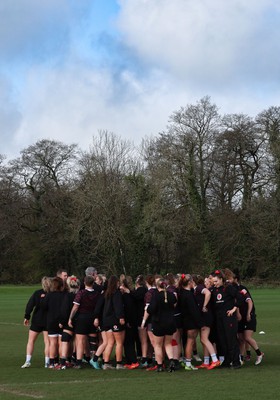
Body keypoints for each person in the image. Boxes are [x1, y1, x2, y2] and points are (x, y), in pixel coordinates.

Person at [211, 269, 246, 369]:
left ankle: (236, 362)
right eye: (213, 282)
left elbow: (240, 297)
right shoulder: (214, 290)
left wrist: (234, 309)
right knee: (222, 340)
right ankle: (227, 361)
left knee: (231, 340)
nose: (215, 283)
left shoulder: (229, 288)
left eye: (216, 281)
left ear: (221, 279)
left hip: (229, 318)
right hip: (219, 318)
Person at [143, 278, 177, 372]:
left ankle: (159, 365)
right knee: (168, 344)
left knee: (157, 345)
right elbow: (174, 304)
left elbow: (150, 309)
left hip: (158, 323)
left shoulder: (156, 296)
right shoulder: (170, 295)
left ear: (157, 286)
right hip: (170, 322)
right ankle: (171, 360)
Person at [68, 275, 101, 369]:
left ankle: (78, 362)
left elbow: (75, 307)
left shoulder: (81, 293)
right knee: (93, 341)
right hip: (93, 318)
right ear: (93, 283)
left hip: (82, 318)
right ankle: (93, 360)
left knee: (80, 341)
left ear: (84, 283)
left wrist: (70, 318)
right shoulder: (97, 294)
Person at [231, 271, 264, 366]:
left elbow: (249, 302)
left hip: (248, 317)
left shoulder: (242, 289)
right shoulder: (231, 289)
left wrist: (249, 313)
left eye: (231, 278)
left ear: (235, 279)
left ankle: (259, 354)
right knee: (241, 339)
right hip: (240, 318)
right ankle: (241, 358)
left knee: (247, 337)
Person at [21, 276, 52, 368]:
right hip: (48, 321)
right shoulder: (53, 294)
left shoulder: (37, 293)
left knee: (31, 341)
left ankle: (28, 361)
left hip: (37, 320)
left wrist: (27, 316)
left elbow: (30, 305)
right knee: (47, 342)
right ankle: (47, 362)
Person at [192, 274, 220, 370]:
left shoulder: (199, 288)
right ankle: (206, 361)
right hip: (203, 317)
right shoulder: (197, 289)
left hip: (206, 317)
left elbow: (208, 293)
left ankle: (215, 360)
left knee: (204, 339)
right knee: (203, 340)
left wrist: (204, 306)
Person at [99, 275, 126, 370]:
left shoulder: (106, 293)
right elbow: (118, 306)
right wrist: (121, 317)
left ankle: (106, 362)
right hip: (114, 320)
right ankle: (119, 363)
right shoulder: (117, 293)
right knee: (119, 342)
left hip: (106, 320)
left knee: (110, 342)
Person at [178, 274, 203, 371]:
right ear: (189, 282)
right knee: (190, 341)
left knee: (189, 341)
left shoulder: (183, 292)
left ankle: (187, 362)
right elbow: (194, 311)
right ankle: (188, 363)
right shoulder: (188, 295)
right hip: (191, 322)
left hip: (186, 320)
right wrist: (199, 323)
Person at [42, 276, 65, 368]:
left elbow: (43, 307)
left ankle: (51, 362)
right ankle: (60, 362)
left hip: (51, 321)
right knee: (60, 343)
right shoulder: (64, 295)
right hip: (61, 321)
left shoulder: (49, 295)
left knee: (52, 343)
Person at [58, 275, 80, 369]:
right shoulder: (81, 295)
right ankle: (75, 360)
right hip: (80, 321)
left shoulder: (67, 296)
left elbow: (64, 310)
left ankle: (63, 362)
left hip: (69, 321)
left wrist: (62, 321)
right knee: (77, 341)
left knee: (65, 340)